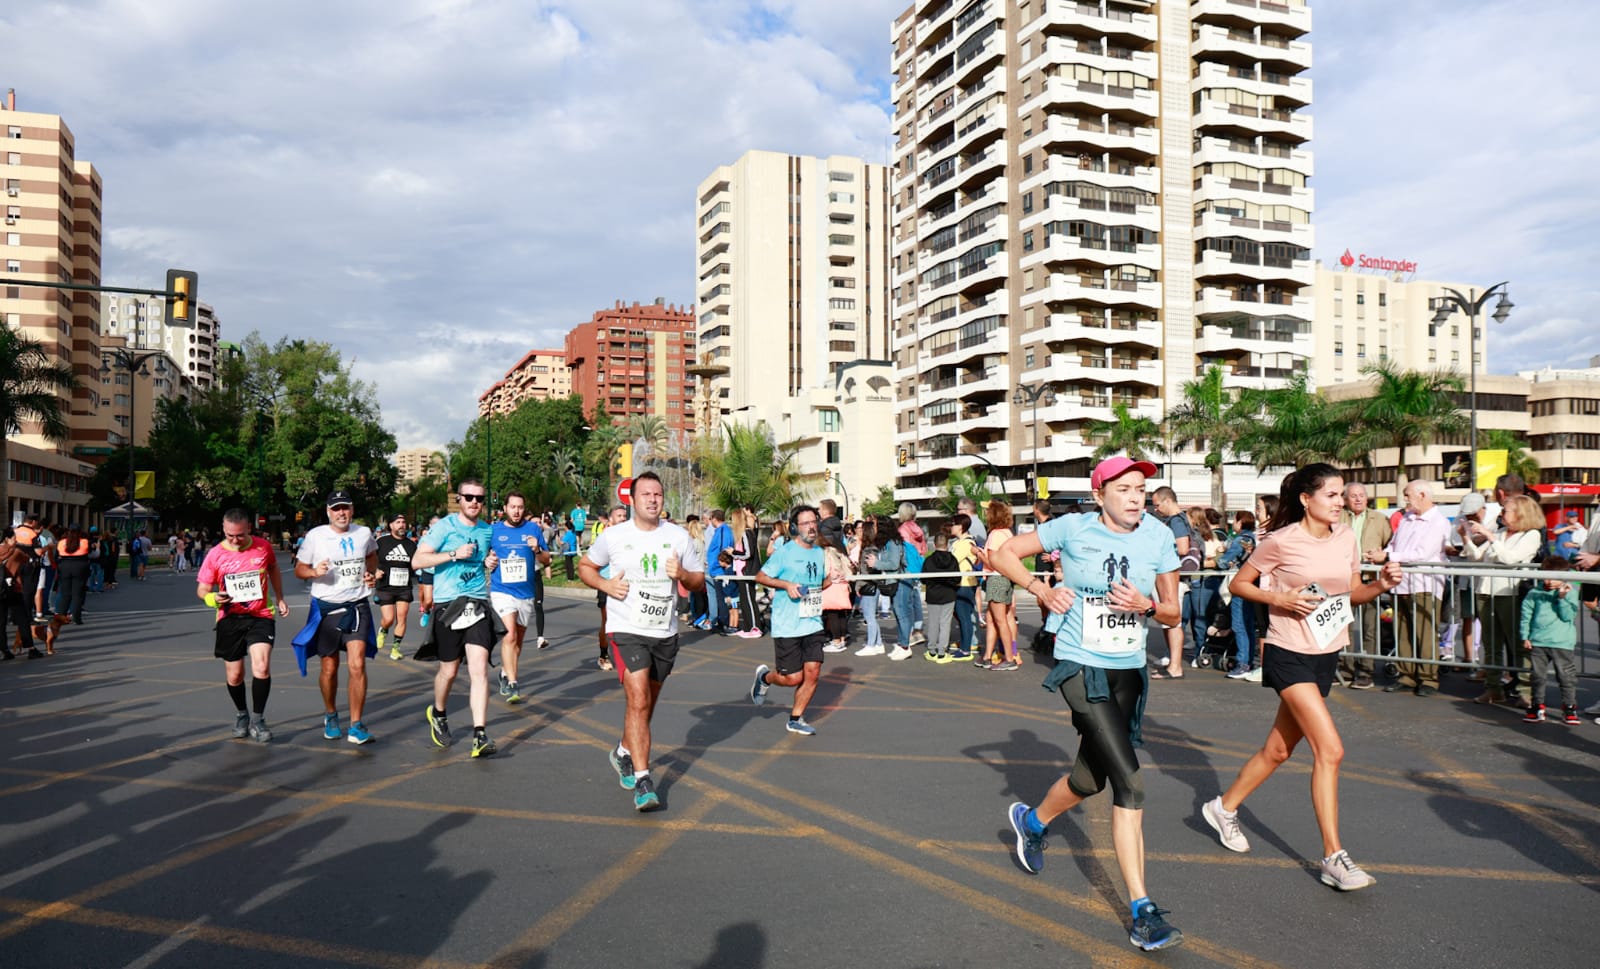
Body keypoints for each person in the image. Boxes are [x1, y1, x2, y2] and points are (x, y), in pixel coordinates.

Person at [990, 456, 1185, 952]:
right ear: (1100, 495)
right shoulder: (1073, 527)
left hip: (1129, 669)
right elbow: (1005, 553)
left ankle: (1032, 822)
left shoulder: (1159, 537)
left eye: (1141, 487)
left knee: (1089, 778)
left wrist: (1146, 607)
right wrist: (1039, 588)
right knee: (1130, 781)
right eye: (1124, 489)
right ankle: (1143, 911)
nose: (1136, 496)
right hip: (1080, 664)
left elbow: (1172, 612)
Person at [1198, 463, 1401, 893]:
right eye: (1332, 494)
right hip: (1288, 652)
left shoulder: (1345, 537)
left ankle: (1223, 806)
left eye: (1342, 494)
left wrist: (1380, 585)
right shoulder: (1280, 541)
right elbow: (1239, 584)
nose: (1340, 502)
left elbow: (1351, 592)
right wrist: (1279, 597)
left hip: (1325, 652)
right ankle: (1333, 856)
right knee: (1330, 749)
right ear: (1307, 499)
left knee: (1278, 750)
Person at [580, 472, 705, 810]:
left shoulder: (678, 537)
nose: (653, 499)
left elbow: (699, 581)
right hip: (626, 629)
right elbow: (585, 566)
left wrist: (682, 575)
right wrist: (605, 587)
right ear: (632, 500)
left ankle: (623, 751)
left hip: (663, 632)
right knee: (637, 699)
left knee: (645, 704)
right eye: (646, 494)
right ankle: (643, 780)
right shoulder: (614, 536)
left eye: (658, 494)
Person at [413, 479, 501, 758]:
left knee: (479, 669)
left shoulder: (487, 530)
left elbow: (484, 558)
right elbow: (417, 561)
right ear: (459, 499)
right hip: (448, 605)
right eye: (469, 497)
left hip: (476, 603)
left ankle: (480, 735)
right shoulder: (445, 527)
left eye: (480, 499)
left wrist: (489, 562)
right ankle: (438, 712)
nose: (475, 503)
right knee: (449, 671)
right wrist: (452, 554)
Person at [293, 490, 380, 744]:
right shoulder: (316, 536)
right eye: (336, 508)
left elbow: (371, 556)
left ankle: (356, 725)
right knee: (329, 669)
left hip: (357, 606)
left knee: (357, 664)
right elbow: (299, 569)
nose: (341, 512)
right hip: (327, 608)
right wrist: (313, 571)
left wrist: (370, 573)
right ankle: (331, 714)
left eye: (346, 508)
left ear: (352, 510)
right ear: (328, 512)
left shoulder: (363, 533)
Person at [197, 509, 290, 742]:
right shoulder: (216, 554)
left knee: (262, 667)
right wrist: (213, 599)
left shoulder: (262, 547)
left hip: (261, 615)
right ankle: (242, 714)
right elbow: (202, 590)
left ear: (248, 528)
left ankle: (258, 719)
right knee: (235, 675)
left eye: (239, 535)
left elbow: (273, 569)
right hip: (229, 619)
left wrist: (279, 598)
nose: (235, 540)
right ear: (223, 528)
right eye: (230, 535)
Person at [750, 504, 830, 735]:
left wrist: (831, 580)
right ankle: (765, 677)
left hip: (812, 622)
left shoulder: (819, 552)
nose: (811, 527)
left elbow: (817, 585)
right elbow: (761, 576)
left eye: (814, 522)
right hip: (788, 624)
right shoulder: (785, 552)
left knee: (813, 671)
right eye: (805, 523)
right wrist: (786, 585)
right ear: (795, 527)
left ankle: (796, 718)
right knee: (793, 678)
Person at [1460, 493, 1543, 707]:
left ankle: (1525, 690)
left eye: (1505, 510)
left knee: (1517, 643)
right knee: (1491, 644)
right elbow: (1476, 557)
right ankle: (1493, 688)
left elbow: (1510, 559)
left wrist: (1489, 535)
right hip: (1486, 591)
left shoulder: (1531, 535)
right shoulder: (1500, 532)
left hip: (1511, 593)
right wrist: (1466, 538)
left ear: (1520, 513)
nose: (1502, 514)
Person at [1384, 480, 1451, 696]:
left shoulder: (1438, 521)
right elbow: (1394, 544)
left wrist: (1387, 556)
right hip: (1401, 582)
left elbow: (1422, 554)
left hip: (1425, 583)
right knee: (1403, 631)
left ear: (1422, 494)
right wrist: (1384, 552)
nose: (1405, 499)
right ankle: (1407, 675)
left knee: (1425, 632)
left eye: (1407, 495)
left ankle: (1428, 678)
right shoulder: (1406, 518)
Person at [490, 491, 552, 705]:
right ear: (505, 508)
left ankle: (505, 673)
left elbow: (547, 560)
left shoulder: (533, 529)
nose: (516, 511)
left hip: (525, 592)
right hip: (501, 590)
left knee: (518, 641)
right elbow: (484, 557)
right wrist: (487, 561)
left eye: (520, 507)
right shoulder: (494, 530)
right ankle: (514, 682)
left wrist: (536, 549)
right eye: (513, 507)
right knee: (509, 635)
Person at [1338, 482, 1392, 689]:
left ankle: (1366, 670)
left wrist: (1380, 556)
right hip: (1343, 579)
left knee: (1370, 628)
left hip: (1369, 578)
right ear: (1346, 499)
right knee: (1344, 627)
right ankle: (1345, 668)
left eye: (1361, 495)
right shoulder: (1338, 517)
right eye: (1353, 496)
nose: (1358, 499)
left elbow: (1390, 546)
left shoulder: (1379, 519)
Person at [1521, 556, 1580, 724]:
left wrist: (1561, 597)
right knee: (1537, 676)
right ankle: (1537, 705)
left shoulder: (1570, 592)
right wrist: (1525, 636)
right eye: (1545, 576)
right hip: (1538, 641)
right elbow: (1526, 615)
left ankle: (1569, 707)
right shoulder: (1534, 592)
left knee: (1566, 677)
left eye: (1552, 577)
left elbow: (1568, 616)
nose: (1547, 581)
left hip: (1562, 642)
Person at [1151, 487, 1193, 678]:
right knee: (1168, 620)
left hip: (1174, 576)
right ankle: (1172, 662)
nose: (1156, 510)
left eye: (1157, 505)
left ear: (1167, 501)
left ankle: (1175, 666)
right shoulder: (1177, 519)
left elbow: (1182, 547)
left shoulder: (1176, 521)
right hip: (1171, 575)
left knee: (1172, 620)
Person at [978, 500, 1018, 670]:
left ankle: (1009, 657)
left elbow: (994, 562)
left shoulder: (995, 535)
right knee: (993, 618)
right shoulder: (1007, 533)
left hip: (996, 578)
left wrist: (979, 554)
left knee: (1000, 620)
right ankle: (988, 656)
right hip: (1005, 579)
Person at [592, 505, 629, 671]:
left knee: (628, 620)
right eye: (619, 515)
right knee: (607, 621)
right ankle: (603, 654)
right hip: (607, 583)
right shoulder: (605, 537)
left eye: (624, 515)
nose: (622, 518)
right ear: (611, 520)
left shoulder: (630, 537)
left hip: (626, 583)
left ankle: (627, 653)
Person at [920, 530, 959, 662]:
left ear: (934, 544)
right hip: (948, 594)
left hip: (932, 595)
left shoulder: (929, 560)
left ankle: (931, 650)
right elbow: (957, 579)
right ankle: (942, 651)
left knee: (933, 623)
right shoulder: (953, 560)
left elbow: (923, 579)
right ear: (947, 544)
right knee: (945, 623)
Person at [852, 518, 887, 657]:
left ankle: (871, 644)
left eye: (861, 530)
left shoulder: (868, 550)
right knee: (871, 616)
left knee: (869, 616)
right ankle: (878, 643)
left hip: (869, 586)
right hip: (873, 585)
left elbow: (868, 571)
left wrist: (858, 585)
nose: (858, 532)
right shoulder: (874, 548)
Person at [949, 513, 981, 660]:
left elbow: (951, 561)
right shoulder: (958, 542)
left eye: (953, 524)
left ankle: (966, 649)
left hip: (965, 584)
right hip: (960, 583)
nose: (951, 527)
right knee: (962, 616)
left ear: (960, 527)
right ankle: (964, 645)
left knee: (964, 617)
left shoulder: (965, 543)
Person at [818, 530, 854, 654]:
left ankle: (836, 641)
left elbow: (826, 569)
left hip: (832, 584)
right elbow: (847, 565)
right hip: (842, 583)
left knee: (832, 613)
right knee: (841, 614)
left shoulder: (826, 552)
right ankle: (842, 639)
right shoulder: (839, 550)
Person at [54, 525, 92, 626]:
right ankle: (76, 617)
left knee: (65, 594)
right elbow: (89, 552)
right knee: (77, 594)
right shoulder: (84, 541)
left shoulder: (62, 542)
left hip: (64, 566)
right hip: (80, 566)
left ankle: (62, 616)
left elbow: (56, 556)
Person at [705, 508, 735, 636]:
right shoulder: (721, 530)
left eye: (711, 518)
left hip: (719, 569)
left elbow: (724, 550)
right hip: (716, 568)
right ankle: (721, 622)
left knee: (721, 598)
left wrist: (719, 564)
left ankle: (724, 623)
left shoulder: (723, 531)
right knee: (719, 597)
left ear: (715, 519)